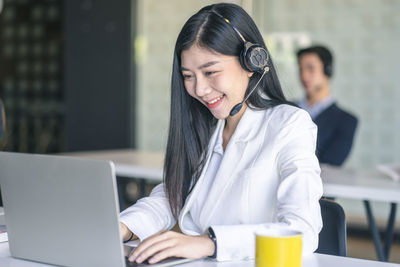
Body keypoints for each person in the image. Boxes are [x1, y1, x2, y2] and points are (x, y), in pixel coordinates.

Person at [120, 3, 322, 264]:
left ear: (251, 62)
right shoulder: (207, 125)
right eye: (188, 76)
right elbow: (171, 197)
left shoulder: (290, 124)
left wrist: (209, 243)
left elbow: (301, 230)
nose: (200, 89)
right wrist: (122, 227)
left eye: (210, 72)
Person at [296, 46, 358, 166]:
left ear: (327, 70)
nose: (304, 75)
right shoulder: (284, 109)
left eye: (310, 68)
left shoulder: (346, 121)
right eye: (301, 69)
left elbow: (331, 163)